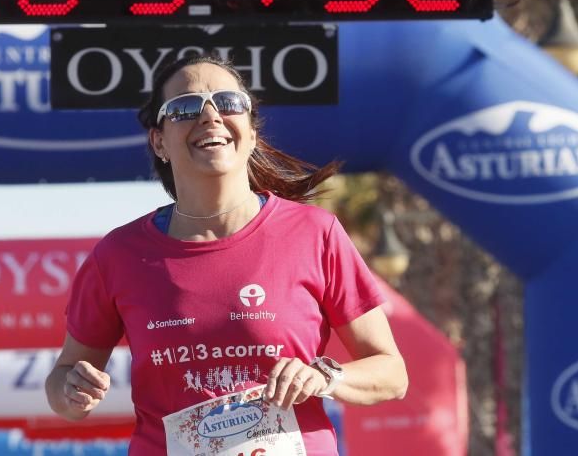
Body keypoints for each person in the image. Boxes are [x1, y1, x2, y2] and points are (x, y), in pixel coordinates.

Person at [45, 54, 408, 455]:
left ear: (251, 133)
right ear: (159, 140)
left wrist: (325, 377)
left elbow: (391, 372)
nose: (211, 117)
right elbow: (63, 381)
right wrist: (71, 390)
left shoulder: (315, 233)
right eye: (185, 108)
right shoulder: (119, 254)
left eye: (229, 103)